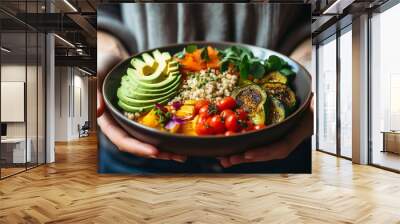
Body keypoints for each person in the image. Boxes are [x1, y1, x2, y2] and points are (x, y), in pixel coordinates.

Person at [97, 3, 313, 173]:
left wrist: (317, 66)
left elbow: (322, 18)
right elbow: (101, 15)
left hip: (279, 153)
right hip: (136, 159)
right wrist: (105, 54)